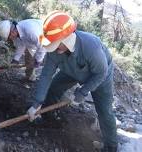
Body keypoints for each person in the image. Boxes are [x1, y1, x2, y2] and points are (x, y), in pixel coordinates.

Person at [27, 11, 118, 152]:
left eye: (56, 45)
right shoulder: (54, 51)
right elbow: (46, 75)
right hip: (72, 70)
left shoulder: (90, 47)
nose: (53, 48)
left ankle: (111, 147)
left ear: (66, 39)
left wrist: (82, 92)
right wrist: (37, 103)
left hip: (100, 76)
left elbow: (101, 73)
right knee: (53, 89)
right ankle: (48, 118)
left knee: (105, 111)